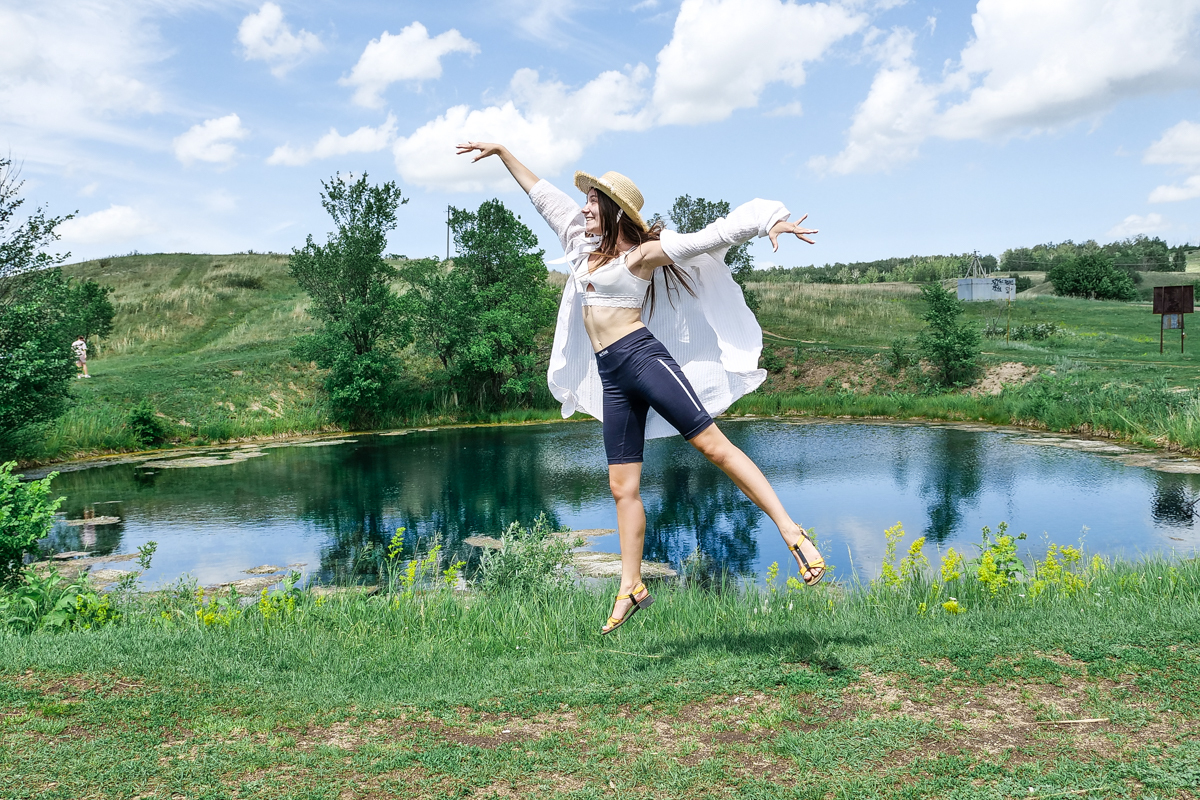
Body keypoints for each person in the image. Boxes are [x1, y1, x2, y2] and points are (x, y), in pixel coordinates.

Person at [456, 142, 826, 634]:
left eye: (592, 202)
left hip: (644, 360)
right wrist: (504, 152)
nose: (584, 207)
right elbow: (541, 195)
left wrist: (770, 222)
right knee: (620, 486)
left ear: (611, 212)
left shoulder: (643, 256)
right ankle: (631, 585)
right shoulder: (580, 244)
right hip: (612, 375)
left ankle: (790, 528)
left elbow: (713, 235)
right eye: (584, 201)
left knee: (713, 447)